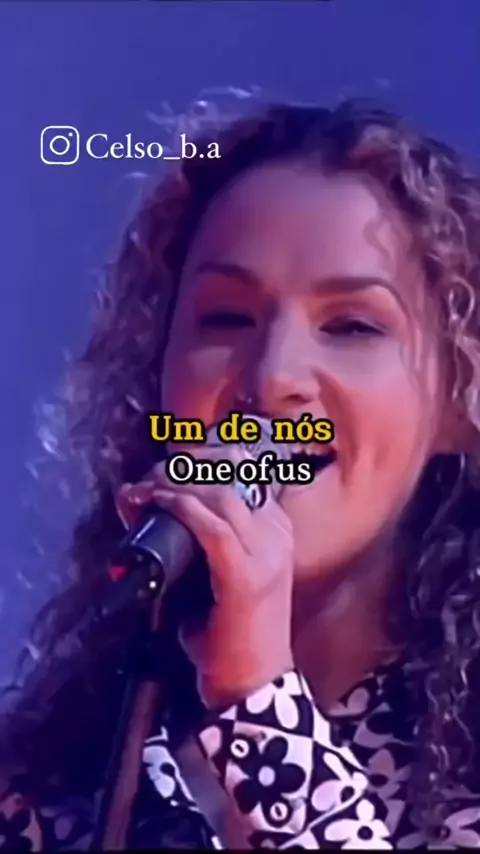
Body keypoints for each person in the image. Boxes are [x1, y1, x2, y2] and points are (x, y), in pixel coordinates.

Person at [2, 97, 480, 851]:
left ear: (460, 400)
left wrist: (258, 700)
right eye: (226, 319)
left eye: (351, 325)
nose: (272, 377)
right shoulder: (49, 781)